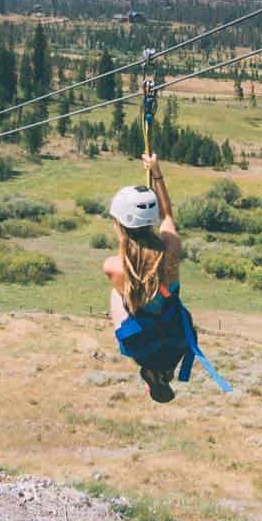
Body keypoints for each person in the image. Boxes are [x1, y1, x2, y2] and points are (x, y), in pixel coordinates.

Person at [102, 152, 187, 402]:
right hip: (171, 331)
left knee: (118, 293)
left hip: (140, 341)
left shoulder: (114, 267)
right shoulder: (170, 250)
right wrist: (156, 172)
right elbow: (167, 216)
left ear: (119, 224)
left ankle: (158, 367)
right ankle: (159, 367)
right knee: (154, 305)